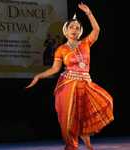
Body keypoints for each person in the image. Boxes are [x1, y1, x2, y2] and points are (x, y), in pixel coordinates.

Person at [26, 2, 114, 150]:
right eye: (71, 27)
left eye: (77, 28)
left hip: (86, 84)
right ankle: (71, 146)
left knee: (89, 112)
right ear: (66, 31)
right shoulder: (61, 49)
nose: (74, 29)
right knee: (68, 118)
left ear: (80, 32)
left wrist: (89, 13)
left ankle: (87, 143)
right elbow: (55, 69)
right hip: (68, 85)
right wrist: (39, 76)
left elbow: (97, 29)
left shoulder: (86, 43)